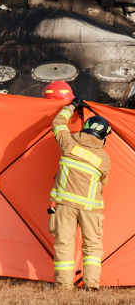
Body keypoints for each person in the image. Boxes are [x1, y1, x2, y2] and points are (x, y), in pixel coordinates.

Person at [48, 99, 111, 290]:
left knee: (64, 245)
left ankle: (63, 287)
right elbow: (104, 183)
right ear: (102, 136)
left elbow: (57, 123)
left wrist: (71, 107)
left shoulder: (68, 142)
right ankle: (91, 285)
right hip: (91, 209)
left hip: (65, 205)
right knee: (92, 247)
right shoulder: (104, 159)